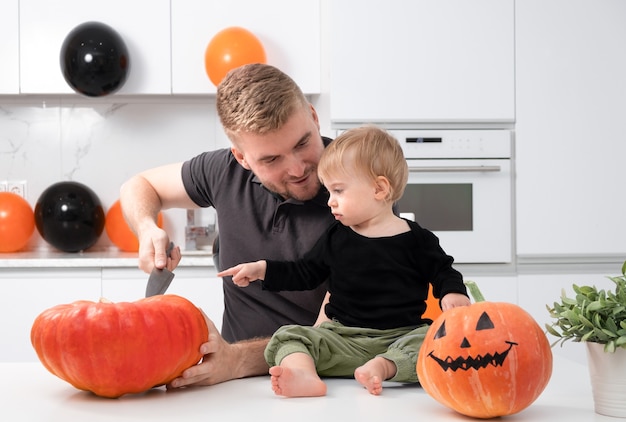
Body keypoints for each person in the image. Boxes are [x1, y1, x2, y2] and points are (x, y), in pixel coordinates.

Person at [119, 63, 336, 388]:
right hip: (229, 384)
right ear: (242, 158)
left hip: (323, 384)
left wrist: (236, 360)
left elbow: (335, 333)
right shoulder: (223, 171)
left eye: (303, 143)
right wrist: (147, 227)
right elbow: (138, 185)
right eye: (271, 160)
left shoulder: (359, 183)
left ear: (314, 118)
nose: (296, 169)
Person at [217, 126, 471, 398]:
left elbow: (444, 271)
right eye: (329, 192)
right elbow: (305, 272)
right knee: (288, 336)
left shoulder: (418, 240)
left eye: (338, 191)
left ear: (379, 188)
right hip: (342, 339)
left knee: (435, 342)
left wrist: (453, 292)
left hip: (402, 337)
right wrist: (263, 270)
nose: (330, 202)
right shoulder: (336, 237)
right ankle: (304, 375)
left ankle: (384, 367)